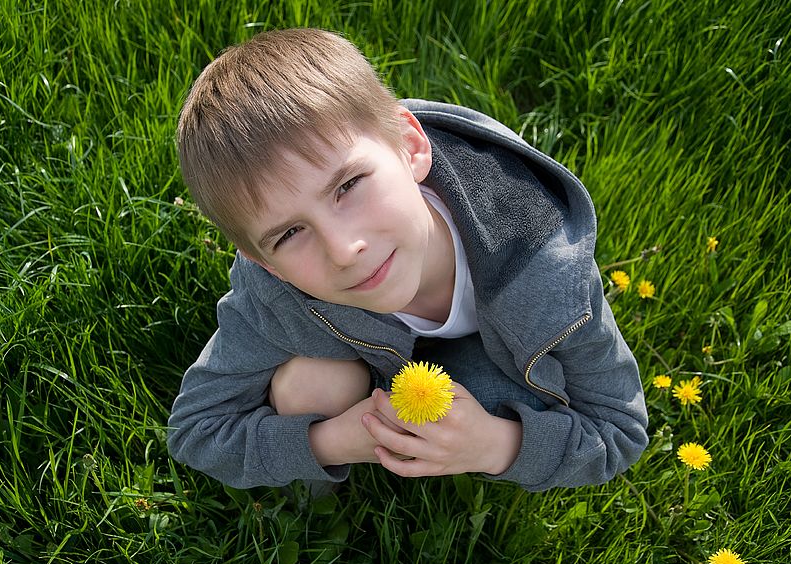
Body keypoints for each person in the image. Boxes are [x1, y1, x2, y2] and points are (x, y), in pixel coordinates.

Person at [167, 27, 648, 492]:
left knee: (512, 394)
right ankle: (317, 519)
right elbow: (195, 430)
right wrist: (333, 442)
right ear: (263, 262)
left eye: (348, 186)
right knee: (307, 388)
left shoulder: (541, 259)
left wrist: (495, 446)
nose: (343, 249)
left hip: (493, 357)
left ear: (411, 147)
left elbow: (619, 430)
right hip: (365, 371)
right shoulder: (277, 291)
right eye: (291, 233)